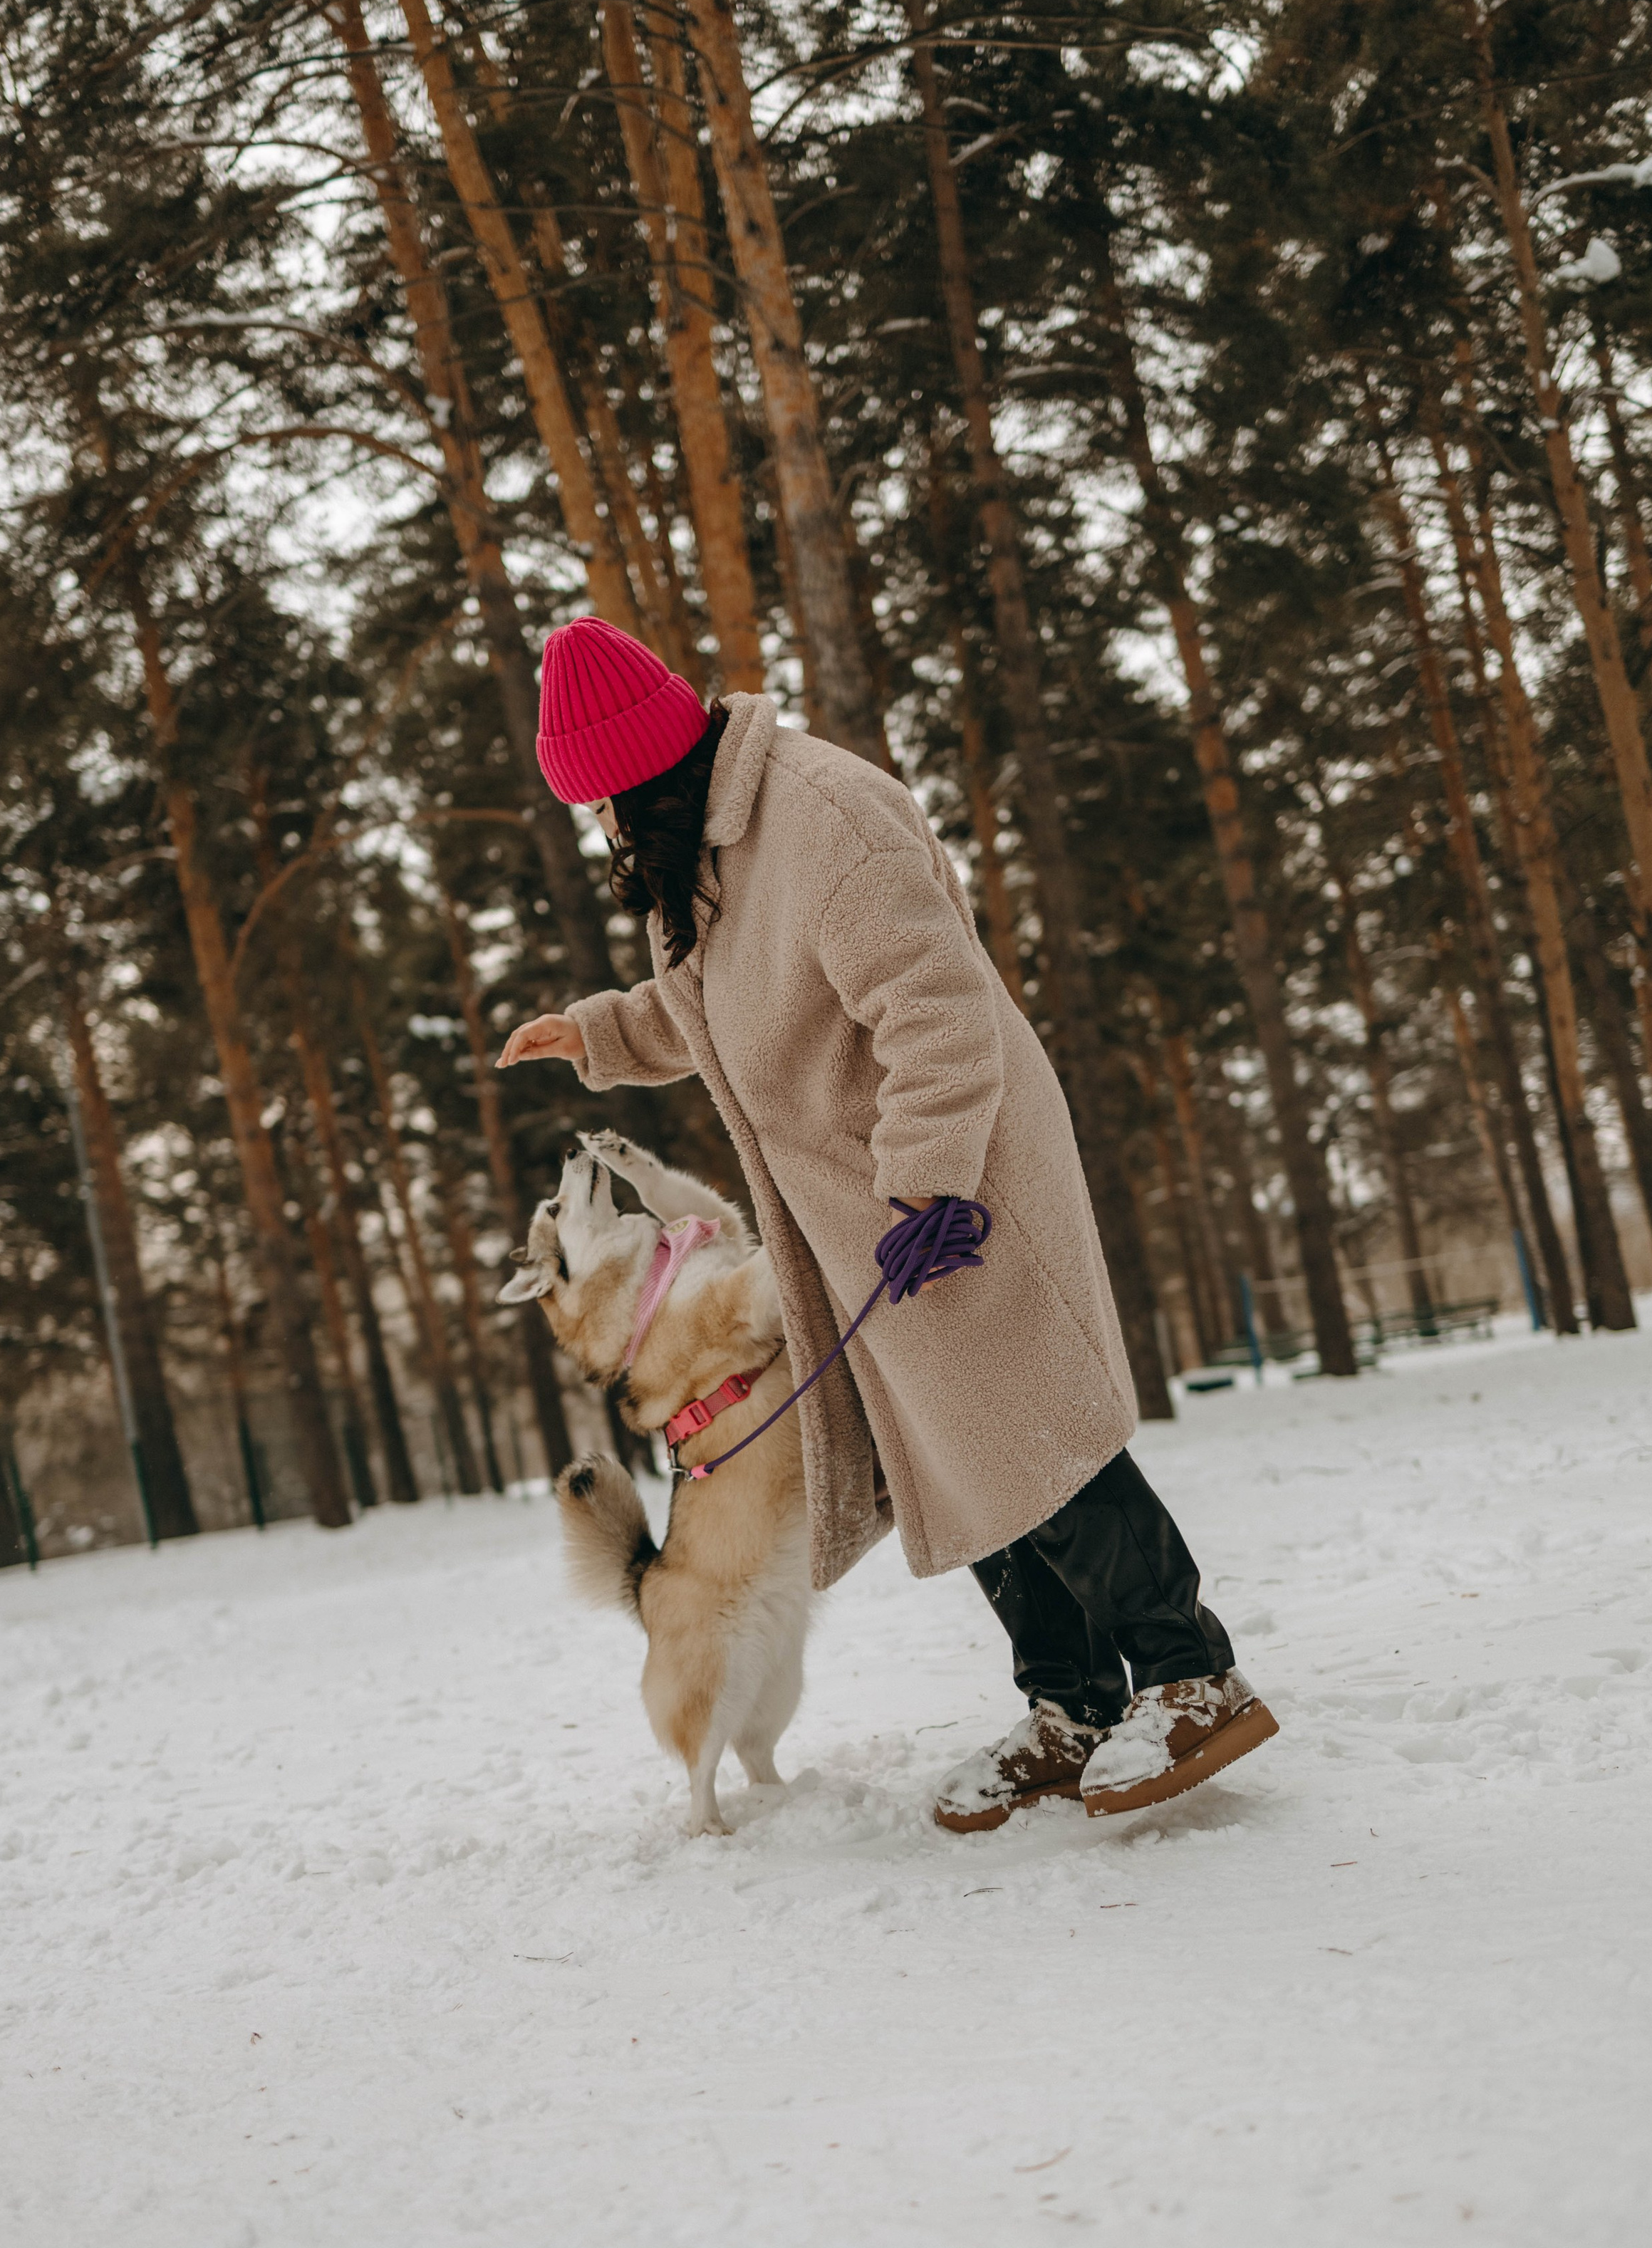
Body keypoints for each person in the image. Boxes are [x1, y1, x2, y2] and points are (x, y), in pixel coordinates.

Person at [498, 616, 1277, 1828]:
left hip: (951, 1187)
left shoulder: (822, 820)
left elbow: (939, 1007)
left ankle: (1188, 1676)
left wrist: (928, 1182)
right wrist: (599, 1034)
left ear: (649, 773)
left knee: (1035, 1437)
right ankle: (1072, 1706)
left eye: (605, 803)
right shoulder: (712, 853)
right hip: (867, 1214)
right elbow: (723, 1011)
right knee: (954, 1467)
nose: (603, 830)